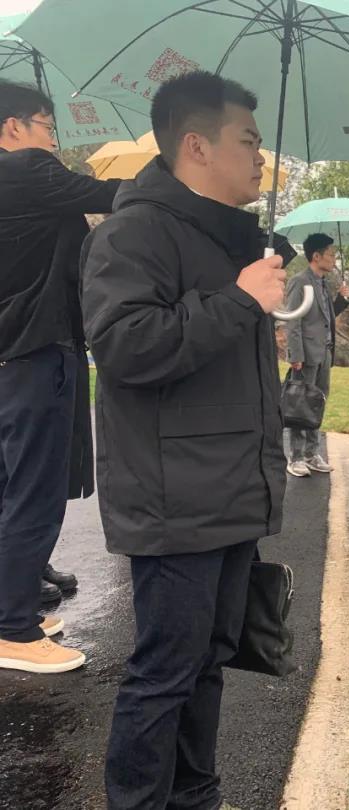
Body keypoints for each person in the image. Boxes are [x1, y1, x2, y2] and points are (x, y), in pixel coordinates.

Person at [81, 71, 288, 809]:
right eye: (248, 141)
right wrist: (238, 300)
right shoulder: (135, 232)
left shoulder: (228, 240)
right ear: (197, 145)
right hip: (176, 496)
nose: (260, 157)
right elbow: (124, 345)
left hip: (228, 487)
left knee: (208, 661)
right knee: (165, 672)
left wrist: (249, 293)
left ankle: (195, 795)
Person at [0, 80, 119, 674]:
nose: (53, 140)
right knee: (35, 491)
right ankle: (12, 630)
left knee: (10, 486)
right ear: (13, 127)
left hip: (12, 355)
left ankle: (11, 601)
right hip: (36, 352)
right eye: (48, 126)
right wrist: (182, 175)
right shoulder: (25, 168)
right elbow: (111, 193)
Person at [283, 232, 349, 478]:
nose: (334, 259)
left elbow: (323, 318)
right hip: (306, 356)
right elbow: (293, 320)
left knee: (316, 404)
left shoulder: (323, 283)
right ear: (316, 256)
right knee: (300, 405)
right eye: (331, 254)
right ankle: (296, 457)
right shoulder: (299, 281)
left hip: (324, 354)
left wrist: (341, 300)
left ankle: (312, 454)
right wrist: (296, 355)